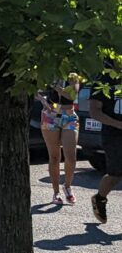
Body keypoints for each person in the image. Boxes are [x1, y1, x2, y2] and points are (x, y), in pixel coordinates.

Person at [37, 75, 82, 205]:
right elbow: (31, 89)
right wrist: (42, 100)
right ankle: (56, 192)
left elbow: (71, 96)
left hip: (69, 116)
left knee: (71, 156)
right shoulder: (48, 70)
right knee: (55, 156)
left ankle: (67, 186)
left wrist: (55, 86)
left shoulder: (73, 75)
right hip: (50, 115)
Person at [91, 73, 122, 224]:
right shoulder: (103, 80)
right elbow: (94, 111)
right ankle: (99, 198)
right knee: (115, 175)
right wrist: (118, 124)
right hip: (114, 136)